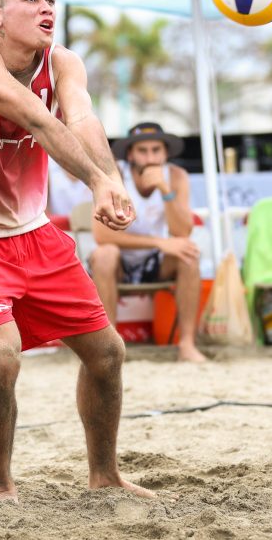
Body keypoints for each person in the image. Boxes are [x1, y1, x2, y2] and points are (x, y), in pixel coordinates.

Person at [0, 0, 150, 503]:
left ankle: (105, 475)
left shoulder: (63, 61)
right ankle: (1, 488)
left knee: (108, 354)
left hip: (31, 230)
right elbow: (39, 121)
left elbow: (82, 120)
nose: (48, 8)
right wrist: (96, 181)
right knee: (1, 357)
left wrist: (113, 182)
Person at [88, 122, 206, 363]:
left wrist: (164, 188)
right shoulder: (113, 176)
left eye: (156, 150)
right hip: (119, 260)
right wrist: (159, 242)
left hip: (155, 262)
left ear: (166, 153)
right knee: (104, 254)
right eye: (143, 150)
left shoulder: (176, 176)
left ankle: (187, 344)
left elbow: (182, 230)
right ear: (130, 154)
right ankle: (109, 348)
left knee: (189, 255)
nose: (150, 156)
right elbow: (101, 235)